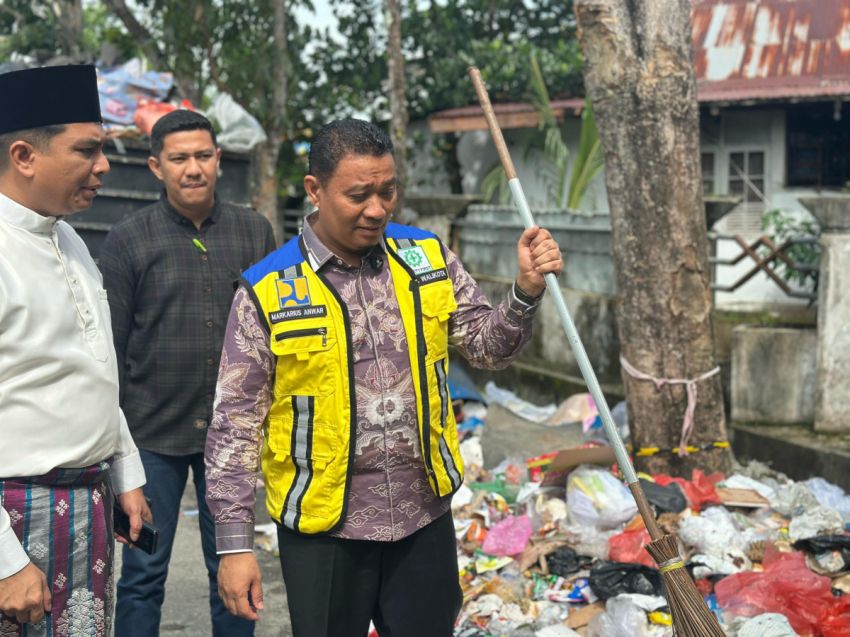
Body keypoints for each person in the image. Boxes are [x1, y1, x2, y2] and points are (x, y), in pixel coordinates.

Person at [205, 118, 563, 636]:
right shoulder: (268, 291)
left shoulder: (426, 260)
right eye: (358, 194)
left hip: (423, 518)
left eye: (387, 190)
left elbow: (489, 349)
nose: (377, 208)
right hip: (325, 528)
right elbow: (235, 426)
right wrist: (235, 546)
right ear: (315, 189)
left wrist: (525, 291)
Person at [99, 108, 276, 636]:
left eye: (203, 156)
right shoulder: (129, 239)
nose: (193, 168)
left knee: (234, 570)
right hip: (152, 436)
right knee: (143, 572)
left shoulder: (253, 231)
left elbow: (275, 333)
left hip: (234, 439)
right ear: (157, 167)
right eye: (179, 159)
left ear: (219, 160)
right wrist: (118, 447)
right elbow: (112, 345)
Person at [0, 64, 150, 636]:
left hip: (85, 510)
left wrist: (124, 469)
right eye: (87, 150)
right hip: (16, 521)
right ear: (24, 156)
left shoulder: (70, 240)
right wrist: (8, 563)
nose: (105, 166)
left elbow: (92, 369)